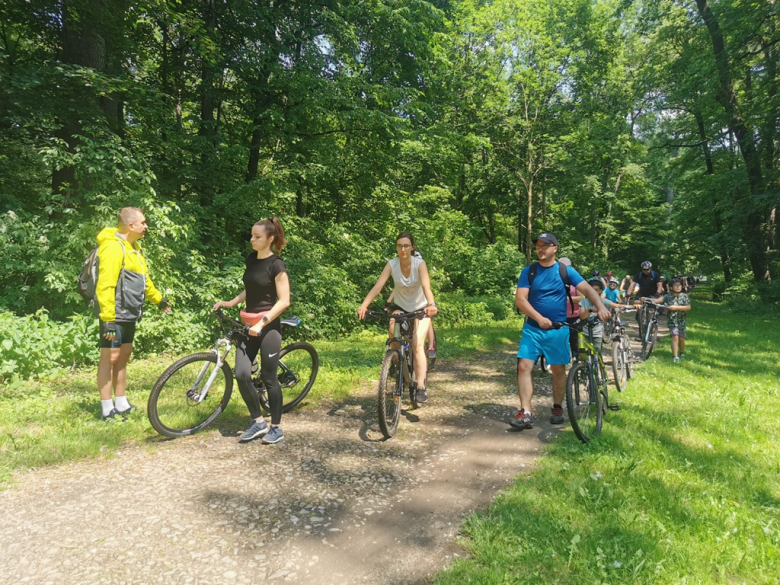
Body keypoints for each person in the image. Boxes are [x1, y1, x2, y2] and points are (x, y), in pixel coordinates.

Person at [512, 233, 610, 429]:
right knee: (523, 366)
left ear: (555, 249)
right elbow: (520, 300)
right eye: (538, 245)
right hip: (533, 327)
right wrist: (539, 319)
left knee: (558, 369)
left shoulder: (565, 271)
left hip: (558, 329)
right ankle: (526, 412)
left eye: (545, 245)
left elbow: (589, 290)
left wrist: (600, 307)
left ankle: (557, 407)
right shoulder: (529, 271)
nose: (541, 249)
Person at [213, 218, 291, 444]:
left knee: (269, 378)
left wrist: (262, 322)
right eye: (252, 235)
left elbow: (284, 300)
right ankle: (258, 421)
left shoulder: (277, 264)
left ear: (270, 239)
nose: (252, 240)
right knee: (242, 374)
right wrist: (230, 302)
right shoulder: (251, 259)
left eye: (257, 237)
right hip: (249, 326)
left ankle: (276, 427)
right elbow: (250, 289)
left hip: (268, 327)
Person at [96, 207, 170, 422]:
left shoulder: (134, 249)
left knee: (123, 357)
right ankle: (106, 408)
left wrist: (158, 300)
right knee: (109, 358)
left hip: (129, 313)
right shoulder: (112, 248)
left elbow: (144, 282)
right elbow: (105, 285)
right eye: (143, 223)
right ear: (131, 226)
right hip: (114, 315)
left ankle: (121, 402)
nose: (146, 227)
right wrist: (108, 319)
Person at [357, 233, 438, 403]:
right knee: (392, 335)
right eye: (400, 246)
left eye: (406, 246)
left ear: (412, 247)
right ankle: (396, 361)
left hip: (421, 308)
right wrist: (364, 305)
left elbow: (426, 287)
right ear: (396, 247)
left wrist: (431, 304)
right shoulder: (392, 264)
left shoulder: (419, 264)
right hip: (400, 308)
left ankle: (421, 386)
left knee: (416, 344)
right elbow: (378, 286)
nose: (403, 249)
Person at [578, 279, 632, 354]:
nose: (594, 292)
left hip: (597, 333)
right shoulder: (584, 301)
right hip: (585, 332)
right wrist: (589, 310)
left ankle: (598, 365)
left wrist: (633, 306)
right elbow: (582, 317)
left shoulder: (603, 301)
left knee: (597, 353)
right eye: (591, 290)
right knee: (582, 354)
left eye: (596, 290)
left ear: (600, 291)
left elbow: (617, 305)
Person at [656, 278, 691, 362]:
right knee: (675, 336)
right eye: (676, 285)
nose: (678, 287)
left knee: (681, 338)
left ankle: (681, 352)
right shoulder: (668, 296)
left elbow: (688, 307)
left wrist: (675, 307)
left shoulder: (684, 296)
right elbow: (658, 300)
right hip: (672, 321)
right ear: (671, 287)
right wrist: (647, 299)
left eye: (679, 285)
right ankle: (675, 357)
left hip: (681, 321)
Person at [559, 257, 584, 361]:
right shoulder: (554, 280)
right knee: (559, 338)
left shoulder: (575, 281)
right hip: (559, 315)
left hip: (574, 315)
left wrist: (566, 298)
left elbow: (581, 298)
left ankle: (576, 358)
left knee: (575, 339)